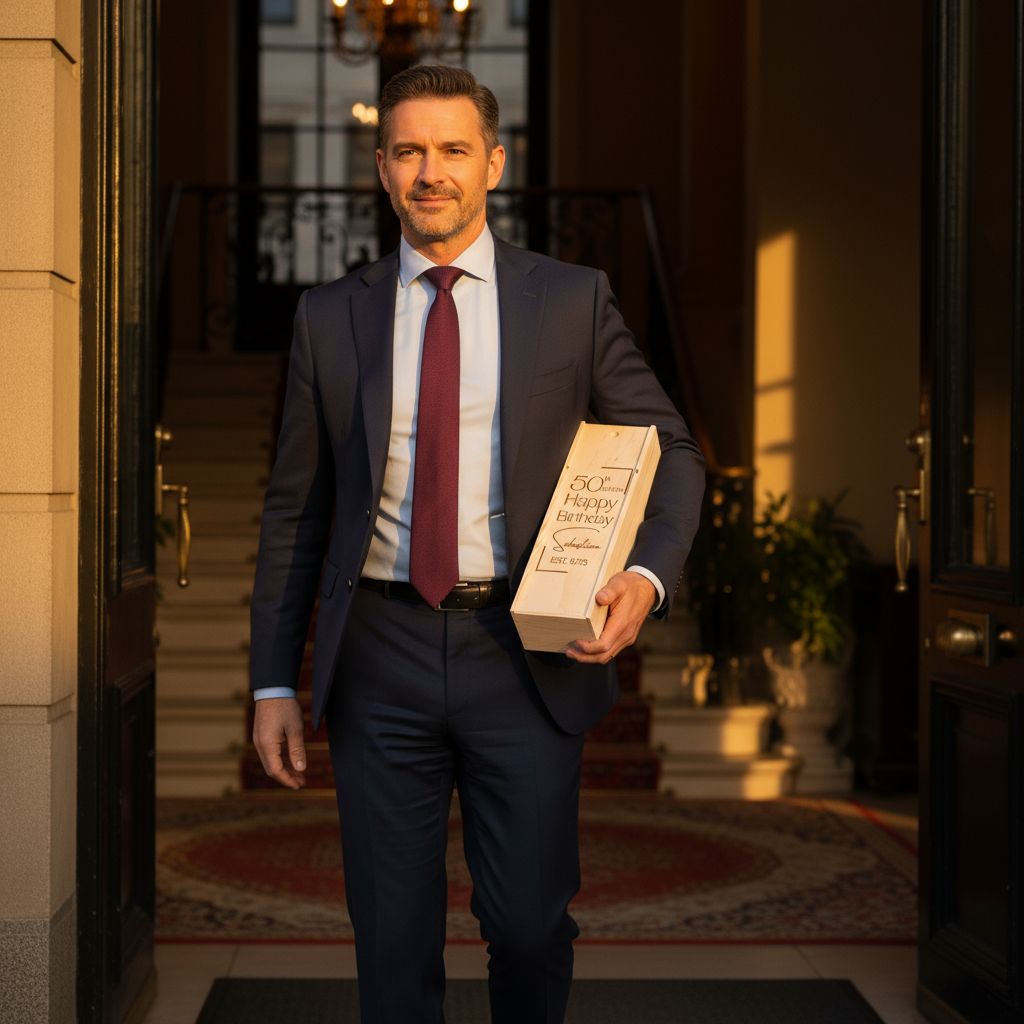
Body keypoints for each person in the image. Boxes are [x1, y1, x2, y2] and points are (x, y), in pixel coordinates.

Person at [249, 64, 705, 1024]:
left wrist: (647, 574)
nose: (431, 172)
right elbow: (294, 510)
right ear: (380, 168)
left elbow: (672, 449)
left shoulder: (573, 299)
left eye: (453, 149)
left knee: (532, 926)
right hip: (380, 652)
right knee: (392, 935)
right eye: (409, 150)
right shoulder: (330, 317)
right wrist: (273, 683)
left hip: (527, 651)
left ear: (493, 163)